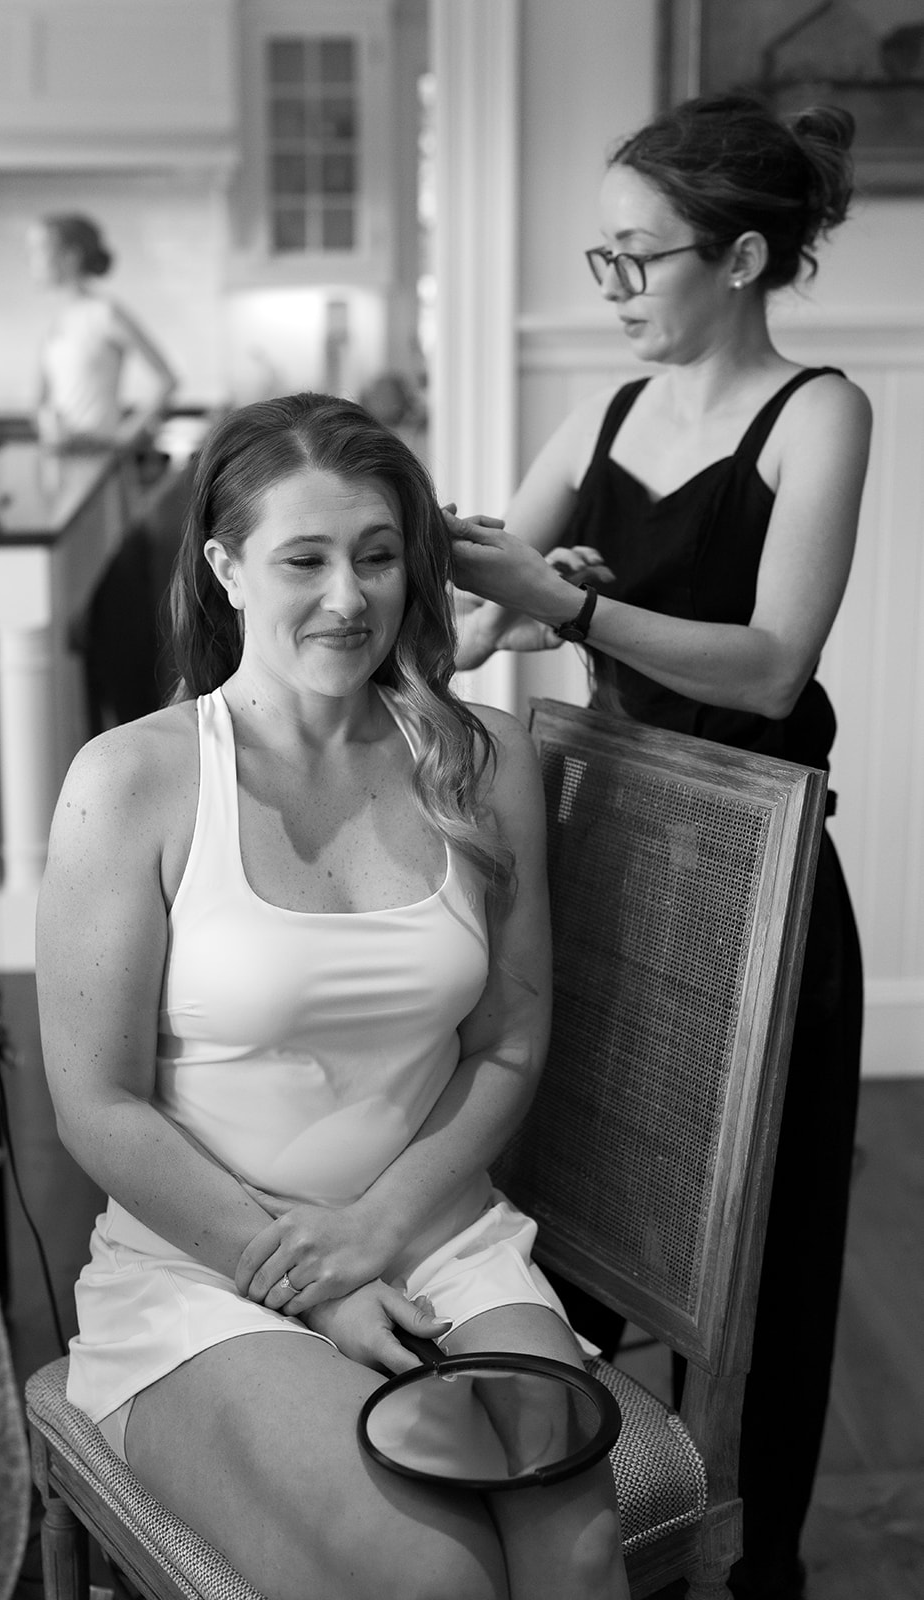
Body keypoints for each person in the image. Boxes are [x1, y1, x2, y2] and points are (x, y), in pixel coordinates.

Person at [36, 392, 629, 1600]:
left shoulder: (481, 759)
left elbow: (509, 1043)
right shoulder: (134, 779)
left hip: (437, 1236)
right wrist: (316, 1276)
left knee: (572, 1555)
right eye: (302, 559)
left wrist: (376, 1232)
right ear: (224, 568)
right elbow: (95, 1106)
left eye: (375, 556)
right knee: (425, 1577)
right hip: (202, 1268)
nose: (349, 598)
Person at [449, 93, 871, 1600]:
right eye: (602, 257)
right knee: (568, 1205)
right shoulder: (601, 417)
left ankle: (746, 1561)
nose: (612, 289)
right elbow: (479, 616)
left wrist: (562, 604)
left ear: (742, 256)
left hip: (761, 895)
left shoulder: (815, 411)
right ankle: (568, 1516)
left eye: (640, 259)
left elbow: (767, 666)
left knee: (752, 1254)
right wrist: (438, 562)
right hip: (612, 861)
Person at [26, 212, 176, 450]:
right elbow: (42, 399)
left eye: (40, 249)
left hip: (100, 460)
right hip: (60, 458)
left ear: (70, 257)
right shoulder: (57, 320)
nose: (32, 259)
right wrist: (45, 422)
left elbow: (167, 381)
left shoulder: (105, 314)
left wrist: (125, 435)